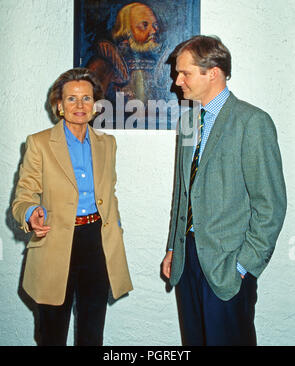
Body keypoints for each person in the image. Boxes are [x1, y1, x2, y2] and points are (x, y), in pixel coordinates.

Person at [162, 35, 287, 346]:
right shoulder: (189, 121)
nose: (177, 81)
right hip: (187, 260)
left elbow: (270, 205)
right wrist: (173, 248)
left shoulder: (252, 122)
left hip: (228, 264)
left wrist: (244, 264)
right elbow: (183, 192)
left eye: (185, 73)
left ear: (212, 72)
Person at [12, 68, 133, 346]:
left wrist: (115, 229)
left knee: (92, 332)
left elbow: (109, 194)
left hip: (97, 243)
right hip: (55, 241)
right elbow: (23, 196)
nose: (80, 106)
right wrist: (32, 213)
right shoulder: (39, 143)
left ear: (95, 104)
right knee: (51, 333)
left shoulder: (107, 144)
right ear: (59, 105)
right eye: (71, 99)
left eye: (86, 99)